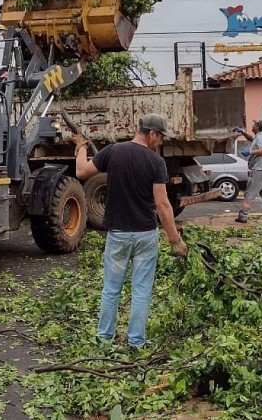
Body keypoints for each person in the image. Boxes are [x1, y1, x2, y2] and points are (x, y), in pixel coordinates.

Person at [75, 113, 188, 348]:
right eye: (160, 137)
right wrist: (174, 239)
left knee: (111, 289)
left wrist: (80, 148)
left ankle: (104, 339)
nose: (160, 142)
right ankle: (136, 343)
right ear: (152, 134)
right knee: (141, 291)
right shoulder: (156, 162)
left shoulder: (112, 152)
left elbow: (81, 172)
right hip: (145, 234)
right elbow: (162, 204)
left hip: (118, 233)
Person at [233, 120, 262, 224]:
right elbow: (252, 139)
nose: (252, 125)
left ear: (258, 127)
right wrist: (244, 133)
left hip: (259, 170)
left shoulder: (260, 137)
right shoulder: (260, 136)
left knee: (250, 194)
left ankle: (243, 216)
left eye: (254, 124)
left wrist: (250, 152)